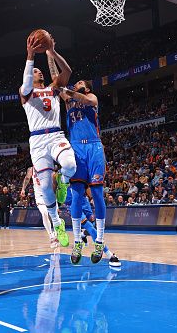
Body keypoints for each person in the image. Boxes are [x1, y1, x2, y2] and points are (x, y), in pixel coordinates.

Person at [19, 33, 75, 247]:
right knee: (44, 189)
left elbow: (67, 71)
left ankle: (64, 180)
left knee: (70, 164)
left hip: (55, 134)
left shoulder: (53, 88)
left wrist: (52, 52)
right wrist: (30, 56)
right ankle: (56, 222)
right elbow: (25, 85)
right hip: (37, 142)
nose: (37, 71)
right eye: (34, 71)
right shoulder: (26, 93)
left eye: (38, 69)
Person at [59, 78, 108, 264]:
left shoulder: (91, 97)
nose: (75, 83)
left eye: (79, 82)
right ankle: (77, 240)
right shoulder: (68, 101)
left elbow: (87, 100)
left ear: (86, 87)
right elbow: (57, 81)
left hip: (94, 147)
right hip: (76, 148)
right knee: (77, 195)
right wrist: (50, 53)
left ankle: (100, 240)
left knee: (97, 193)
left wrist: (70, 91)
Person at [21, 166, 57, 245]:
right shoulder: (31, 169)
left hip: (50, 194)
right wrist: (23, 189)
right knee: (44, 213)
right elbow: (27, 178)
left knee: (54, 215)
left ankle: (56, 233)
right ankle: (51, 236)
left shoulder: (48, 165)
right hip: (39, 196)